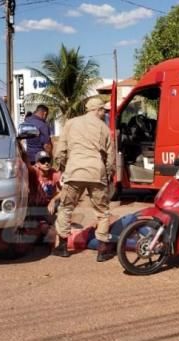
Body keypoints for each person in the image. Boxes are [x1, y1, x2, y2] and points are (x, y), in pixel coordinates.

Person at [53, 97, 116, 261]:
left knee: (66, 208)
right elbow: (110, 157)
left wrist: (63, 167)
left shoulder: (71, 123)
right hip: (96, 172)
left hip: (74, 170)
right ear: (97, 110)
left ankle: (62, 247)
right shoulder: (104, 128)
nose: (104, 113)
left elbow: (61, 151)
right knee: (102, 212)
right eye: (103, 110)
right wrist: (108, 174)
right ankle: (102, 250)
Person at [26, 150, 62, 243]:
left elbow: (65, 190)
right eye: (42, 161)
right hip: (35, 207)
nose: (46, 163)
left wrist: (53, 200)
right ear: (37, 164)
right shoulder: (33, 172)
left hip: (49, 207)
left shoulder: (54, 173)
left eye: (48, 160)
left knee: (63, 203)